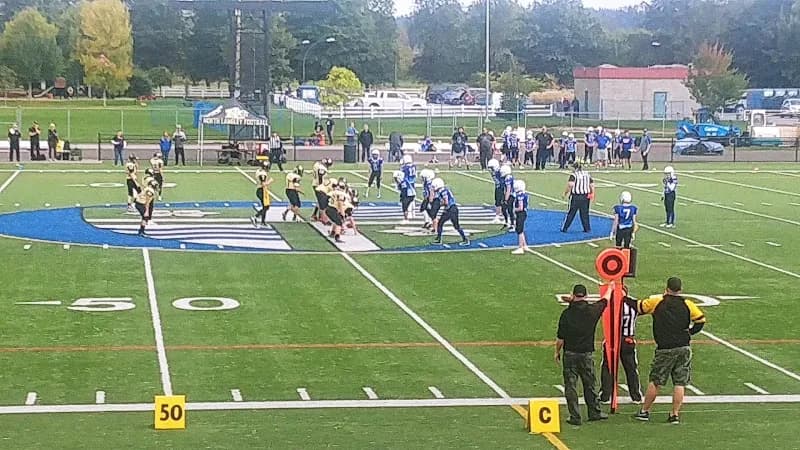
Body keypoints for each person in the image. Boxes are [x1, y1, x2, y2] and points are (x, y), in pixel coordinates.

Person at [629, 277, 706, 424]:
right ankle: (674, 414)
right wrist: (689, 332)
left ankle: (645, 411)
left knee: (656, 381)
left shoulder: (657, 301)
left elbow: (638, 307)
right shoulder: (687, 304)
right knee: (679, 382)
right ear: (680, 289)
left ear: (666, 288)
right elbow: (701, 320)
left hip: (665, 348)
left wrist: (623, 297)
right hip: (684, 347)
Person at [555, 284, 610, 426]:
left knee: (571, 386)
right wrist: (610, 287)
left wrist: (557, 352)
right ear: (585, 296)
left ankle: (575, 416)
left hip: (570, 353)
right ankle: (594, 412)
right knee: (590, 384)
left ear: (573, 295)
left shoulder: (566, 314)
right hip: (586, 354)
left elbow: (560, 338)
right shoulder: (592, 311)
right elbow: (605, 301)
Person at [600, 284, 643, 404]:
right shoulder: (633, 306)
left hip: (612, 340)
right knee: (631, 369)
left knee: (608, 368)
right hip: (627, 340)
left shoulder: (610, 305)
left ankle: (605, 395)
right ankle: (636, 396)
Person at [430, 177, 470, 246]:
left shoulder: (443, 191)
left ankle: (465, 239)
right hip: (450, 209)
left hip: (451, 209)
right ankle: (438, 239)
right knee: (441, 223)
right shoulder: (443, 190)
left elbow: (446, 202)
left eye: (434, 186)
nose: (433, 188)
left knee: (455, 226)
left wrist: (439, 204)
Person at [561, 163, 594, 233]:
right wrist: (592, 193)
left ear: (575, 168)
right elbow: (592, 185)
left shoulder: (574, 175)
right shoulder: (587, 174)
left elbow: (570, 185)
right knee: (585, 213)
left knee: (571, 213)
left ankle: (565, 228)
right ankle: (587, 228)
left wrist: (565, 194)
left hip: (576, 196)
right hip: (585, 196)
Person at [250, 161, 273, 228]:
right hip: (261, 190)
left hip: (260, 190)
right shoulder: (263, 174)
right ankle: (256, 217)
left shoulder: (259, 171)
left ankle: (262, 221)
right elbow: (263, 184)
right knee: (266, 207)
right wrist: (270, 181)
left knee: (265, 206)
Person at [311, 157, 332, 222]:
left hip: (315, 184)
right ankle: (322, 218)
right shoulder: (322, 169)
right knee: (323, 202)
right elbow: (320, 177)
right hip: (319, 186)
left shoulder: (317, 165)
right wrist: (321, 186)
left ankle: (315, 215)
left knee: (320, 201)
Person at [511, 180, 529, 255]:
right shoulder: (524, 194)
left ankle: (520, 247)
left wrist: (514, 209)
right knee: (520, 230)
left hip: (521, 213)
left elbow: (520, 207)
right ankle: (525, 245)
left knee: (519, 230)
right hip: (523, 213)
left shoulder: (520, 195)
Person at [488, 159, 504, 224]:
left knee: (502, 202)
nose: (489, 169)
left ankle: (504, 216)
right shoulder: (495, 171)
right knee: (497, 202)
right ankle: (498, 216)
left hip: (502, 188)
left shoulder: (500, 172)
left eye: (491, 167)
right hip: (497, 187)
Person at [500, 164, 515, 231]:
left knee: (509, 209)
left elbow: (508, 189)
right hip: (508, 194)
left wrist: (506, 199)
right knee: (503, 209)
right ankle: (507, 222)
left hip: (510, 195)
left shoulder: (508, 178)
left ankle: (512, 224)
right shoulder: (507, 177)